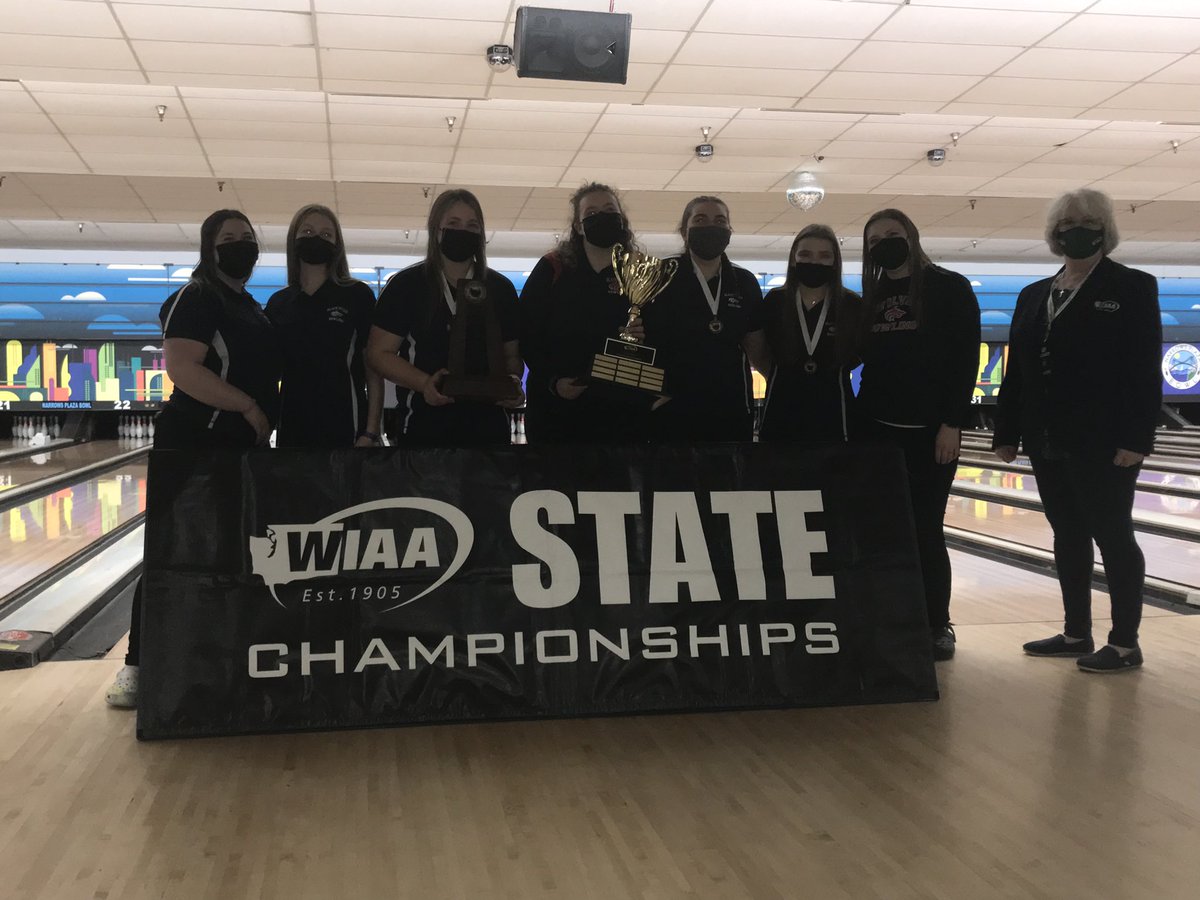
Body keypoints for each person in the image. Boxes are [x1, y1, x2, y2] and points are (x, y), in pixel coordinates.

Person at [106, 209, 280, 708]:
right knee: (172, 549)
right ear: (209, 248)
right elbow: (182, 368)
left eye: (248, 237)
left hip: (240, 448)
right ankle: (138, 664)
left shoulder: (251, 305)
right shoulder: (197, 296)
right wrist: (247, 405)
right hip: (193, 443)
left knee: (229, 551)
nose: (240, 244)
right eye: (229, 238)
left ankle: (215, 655)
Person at [994, 188, 1160, 673]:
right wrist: (1005, 431)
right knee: (1067, 534)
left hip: (1105, 440)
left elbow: (1143, 369)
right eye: (1067, 222)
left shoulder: (1132, 287)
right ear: (1054, 233)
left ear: (1104, 229)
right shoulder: (1033, 295)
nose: (1076, 229)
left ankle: (1126, 643)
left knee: (1113, 535)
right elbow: (1018, 372)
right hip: (1047, 437)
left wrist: (1136, 439)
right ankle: (1075, 632)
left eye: (1088, 221)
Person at [853, 208, 980, 661]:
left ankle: (936, 622)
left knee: (927, 529)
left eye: (893, 233)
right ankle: (889, 616)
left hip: (930, 435)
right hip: (877, 432)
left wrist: (952, 423)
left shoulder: (948, 286)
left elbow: (966, 358)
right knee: (882, 530)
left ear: (911, 234)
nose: (885, 242)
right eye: (875, 240)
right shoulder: (872, 293)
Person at [366, 189, 523, 445]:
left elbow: (512, 357)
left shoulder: (500, 288)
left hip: (490, 433)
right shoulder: (406, 285)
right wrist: (425, 383)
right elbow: (377, 354)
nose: (463, 231)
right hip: (423, 428)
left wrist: (513, 384)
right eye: (453, 224)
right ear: (436, 230)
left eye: (472, 226)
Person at [519, 182, 651, 444]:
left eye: (609, 210)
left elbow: (660, 335)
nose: (601, 217)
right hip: (556, 408)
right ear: (578, 226)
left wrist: (646, 334)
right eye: (591, 213)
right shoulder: (552, 267)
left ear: (621, 219)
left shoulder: (639, 270)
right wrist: (553, 381)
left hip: (619, 410)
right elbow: (527, 334)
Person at [641, 195, 771, 442]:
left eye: (720, 221)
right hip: (671, 410)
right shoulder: (658, 275)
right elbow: (636, 342)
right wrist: (647, 398)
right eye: (700, 219)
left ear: (730, 231)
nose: (711, 226)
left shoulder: (744, 282)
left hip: (730, 411)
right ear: (684, 231)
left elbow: (758, 350)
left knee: (726, 481)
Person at [266, 204, 382, 448]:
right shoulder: (280, 303)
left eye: (326, 234)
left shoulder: (356, 295)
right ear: (293, 240)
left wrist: (371, 432)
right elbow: (268, 373)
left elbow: (373, 369)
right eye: (307, 232)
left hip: (346, 426)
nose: (316, 239)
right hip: (292, 427)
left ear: (337, 245)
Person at [759, 224, 860, 442]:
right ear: (794, 259)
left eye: (824, 256)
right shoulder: (775, 301)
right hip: (781, 409)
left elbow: (857, 355)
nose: (814, 262)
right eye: (805, 254)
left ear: (835, 262)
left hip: (835, 412)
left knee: (834, 475)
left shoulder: (851, 304)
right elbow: (759, 352)